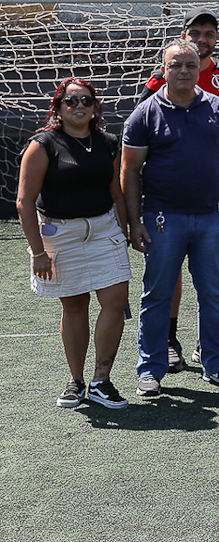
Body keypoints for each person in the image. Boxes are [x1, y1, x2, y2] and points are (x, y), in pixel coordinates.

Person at [122, 41, 219, 396]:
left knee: (213, 293)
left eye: (190, 65)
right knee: (157, 295)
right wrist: (135, 222)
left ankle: (216, 363)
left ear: (199, 69)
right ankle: (150, 369)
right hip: (163, 218)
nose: (183, 71)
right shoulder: (145, 114)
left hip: (212, 216)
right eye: (176, 65)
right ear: (163, 69)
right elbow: (129, 171)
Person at [17, 78, 133, 409]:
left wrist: (124, 231)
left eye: (86, 100)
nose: (79, 106)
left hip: (104, 230)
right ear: (58, 108)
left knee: (115, 300)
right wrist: (38, 252)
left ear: (96, 107)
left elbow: (116, 192)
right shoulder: (43, 144)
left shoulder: (108, 142)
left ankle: (101, 381)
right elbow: (25, 202)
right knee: (75, 305)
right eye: (71, 101)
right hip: (61, 235)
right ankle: (76, 381)